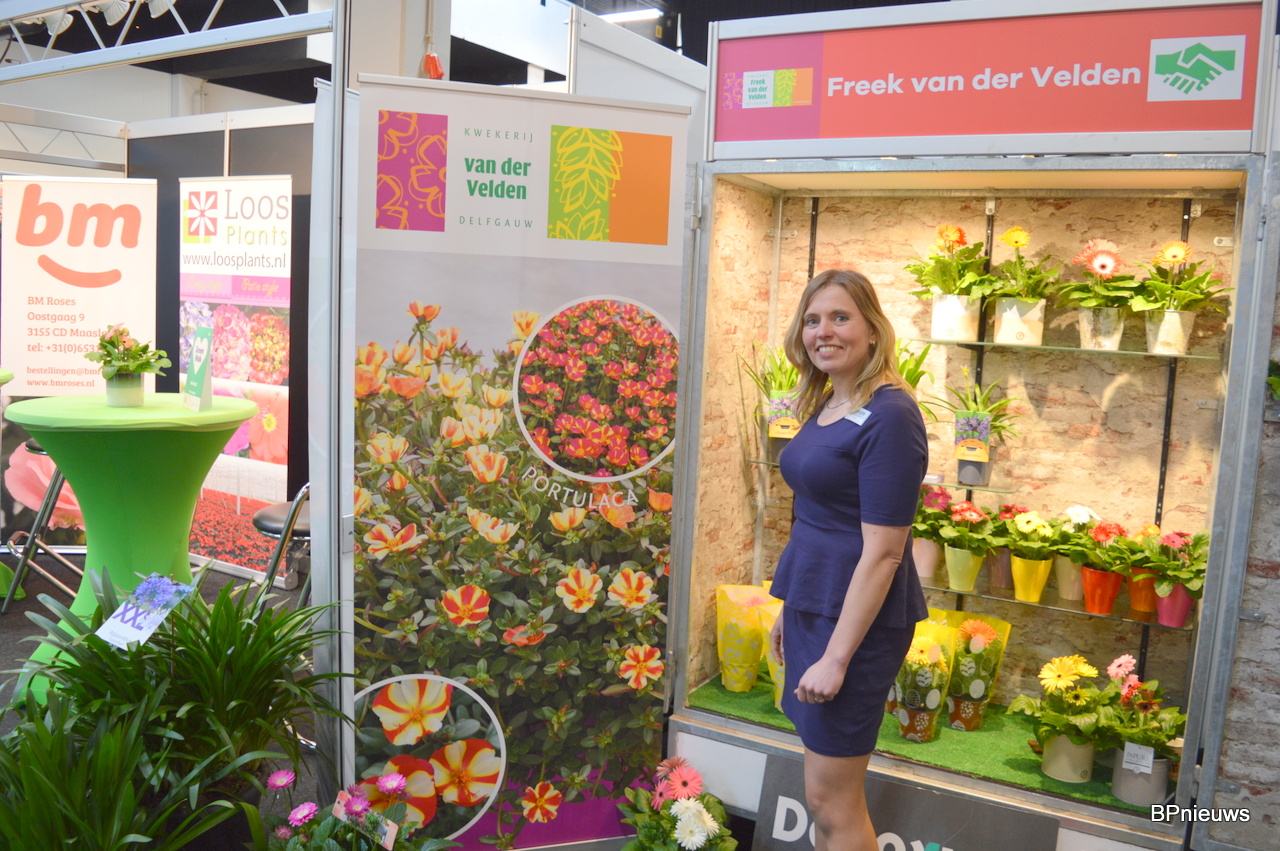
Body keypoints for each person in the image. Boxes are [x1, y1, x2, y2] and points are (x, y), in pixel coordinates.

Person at [767, 269, 928, 851]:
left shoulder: (890, 414)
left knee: (834, 800)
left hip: (855, 626)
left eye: (840, 317)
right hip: (817, 607)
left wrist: (836, 657)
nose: (823, 331)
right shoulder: (830, 401)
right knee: (821, 797)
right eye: (813, 320)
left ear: (872, 328)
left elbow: (884, 553)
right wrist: (792, 607)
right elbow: (818, 515)